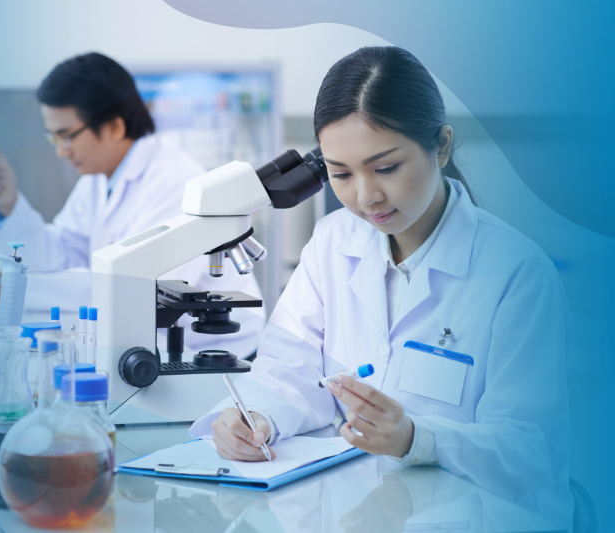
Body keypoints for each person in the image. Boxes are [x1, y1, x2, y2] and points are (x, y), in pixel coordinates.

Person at [191, 46, 573, 527]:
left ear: (442, 145)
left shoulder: (515, 271)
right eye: (341, 174)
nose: (366, 196)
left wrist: (416, 439)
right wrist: (254, 419)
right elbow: (286, 372)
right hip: (360, 510)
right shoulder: (332, 243)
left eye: (386, 167)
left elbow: (532, 451)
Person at [0, 52, 263, 356]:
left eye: (66, 136)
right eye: (54, 139)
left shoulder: (174, 182)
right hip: (155, 343)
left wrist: (15, 290)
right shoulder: (97, 179)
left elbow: (132, 290)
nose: (61, 152)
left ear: (114, 127)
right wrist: (9, 204)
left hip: (215, 356)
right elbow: (64, 252)